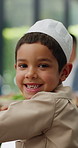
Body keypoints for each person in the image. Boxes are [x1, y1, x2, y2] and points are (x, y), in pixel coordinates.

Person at [0, 19, 78, 148]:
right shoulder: (62, 98)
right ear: (15, 67)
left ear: (64, 72)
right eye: (23, 65)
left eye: (43, 65)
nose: (30, 74)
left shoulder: (50, 103)